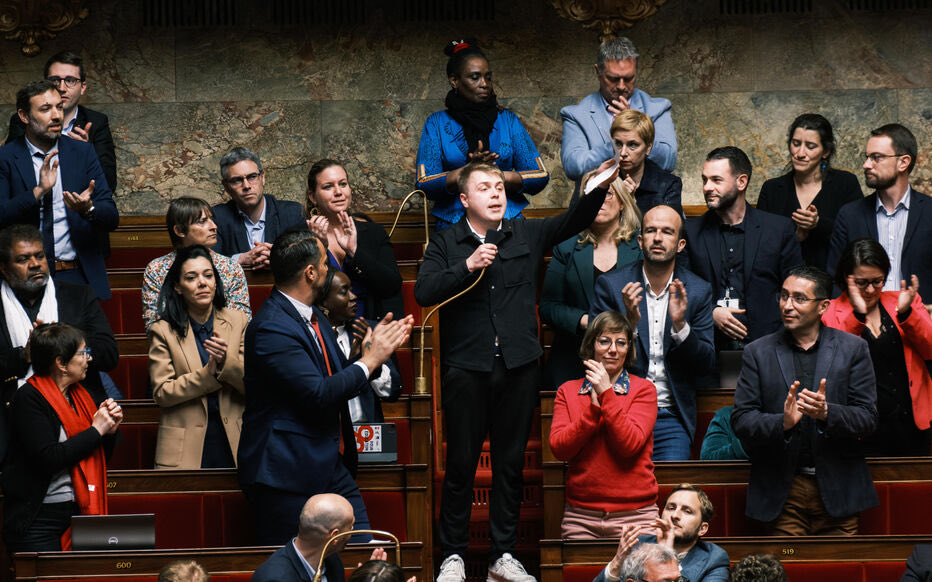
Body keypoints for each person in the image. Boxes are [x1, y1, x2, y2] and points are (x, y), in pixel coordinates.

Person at [415, 159, 615, 582]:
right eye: (485, 187)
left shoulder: (524, 232)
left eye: (500, 186)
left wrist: (595, 186)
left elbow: (572, 219)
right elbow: (424, 291)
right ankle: (452, 555)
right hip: (466, 369)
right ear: (465, 199)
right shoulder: (447, 242)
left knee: (508, 465)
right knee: (462, 464)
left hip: (519, 366)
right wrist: (467, 265)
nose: (496, 192)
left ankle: (502, 556)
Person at [237, 230, 413, 545]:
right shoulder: (271, 328)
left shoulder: (315, 315)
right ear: (311, 273)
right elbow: (318, 393)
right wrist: (370, 361)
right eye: (324, 262)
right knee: (296, 569)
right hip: (286, 473)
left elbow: (335, 377)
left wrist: (366, 353)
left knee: (362, 551)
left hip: (330, 462)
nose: (329, 268)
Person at [732, 266, 879, 535]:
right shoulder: (758, 352)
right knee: (789, 561)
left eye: (799, 298)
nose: (787, 305)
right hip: (783, 492)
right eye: (784, 296)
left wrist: (827, 413)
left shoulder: (853, 349)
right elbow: (741, 420)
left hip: (839, 492)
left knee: (836, 570)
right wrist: (783, 423)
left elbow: (868, 418)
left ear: (823, 306)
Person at [591, 205, 716, 460]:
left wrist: (681, 326)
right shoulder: (612, 286)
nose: (657, 238)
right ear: (640, 240)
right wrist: (629, 324)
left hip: (670, 417)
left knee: (669, 493)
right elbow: (594, 355)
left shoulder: (698, 291)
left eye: (667, 232)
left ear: (680, 244)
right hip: (621, 408)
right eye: (650, 231)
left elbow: (705, 364)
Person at [1, 322, 122, 552]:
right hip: (40, 520)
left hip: (81, 511)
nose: (89, 359)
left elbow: (96, 454)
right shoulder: (29, 398)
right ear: (61, 363)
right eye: (83, 353)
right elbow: (48, 458)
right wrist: (96, 430)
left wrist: (109, 432)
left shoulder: (82, 395)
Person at [0, 224, 118, 460]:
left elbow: (108, 354)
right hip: (11, 420)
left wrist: (65, 345)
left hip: (80, 415)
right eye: (23, 259)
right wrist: (25, 355)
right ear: (4, 268)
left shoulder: (78, 295)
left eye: (39, 256)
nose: (35, 264)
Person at [0, 80, 119, 301]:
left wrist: (88, 208)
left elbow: (111, 216)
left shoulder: (82, 152)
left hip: (76, 274)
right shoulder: (5, 157)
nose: (56, 116)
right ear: (24, 116)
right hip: (23, 277)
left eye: (59, 107)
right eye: (45, 109)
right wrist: (38, 191)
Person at [415, 39, 549, 228]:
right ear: (455, 81)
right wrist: (469, 172)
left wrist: (496, 175)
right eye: (475, 77)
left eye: (488, 77)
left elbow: (540, 176)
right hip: (453, 226)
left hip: (508, 223)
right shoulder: (436, 123)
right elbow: (424, 184)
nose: (484, 84)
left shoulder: (507, 120)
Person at [549, 310, 659, 538]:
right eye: (604, 341)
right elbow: (560, 448)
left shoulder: (644, 390)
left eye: (621, 343)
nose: (612, 350)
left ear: (628, 349)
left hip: (637, 516)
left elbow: (629, 445)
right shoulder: (567, 391)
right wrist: (593, 410)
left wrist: (606, 394)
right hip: (581, 517)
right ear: (591, 346)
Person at [822, 238, 932, 456]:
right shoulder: (829, 311)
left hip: (910, 421)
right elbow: (834, 362)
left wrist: (908, 315)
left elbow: (929, 349)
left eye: (878, 281)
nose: (871, 290)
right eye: (862, 282)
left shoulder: (903, 300)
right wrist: (858, 315)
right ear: (847, 277)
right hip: (861, 425)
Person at [686, 146, 803, 350]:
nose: (707, 187)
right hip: (708, 348)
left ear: (741, 182)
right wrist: (711, 311)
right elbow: (681, 287)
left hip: (769, 346)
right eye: (704, 180)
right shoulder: (690, 231)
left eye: (716, 180)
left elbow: (795, 289)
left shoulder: (778, 229)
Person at [540, 166, 642, 389]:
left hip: (629, 357)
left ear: (623, 202)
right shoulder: (566, 247)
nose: (599, 200)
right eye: (592, 192)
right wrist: (588, 321)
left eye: (606, 193)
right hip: (573, 356)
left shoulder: (640, 247)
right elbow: (548, 307)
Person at [148, 245, 248, 469]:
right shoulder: (163, 330)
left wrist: (225, 364)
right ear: (178, 287)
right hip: (184, 445)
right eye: (191, 277)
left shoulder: (238, 321)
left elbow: (253, 384)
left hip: (234, 437)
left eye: (208, 275)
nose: (202, 283)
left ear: (215, 282)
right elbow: (162, 393)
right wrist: (207, 375)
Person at [561, 36, 677, 201]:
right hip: (597, 208)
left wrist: (636, 127)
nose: (622, 86)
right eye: (613, 79)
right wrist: (616, 142)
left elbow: (668, 162)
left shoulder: (657, 108)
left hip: (651, 204)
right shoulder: (576, 114)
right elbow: (574, 168)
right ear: (598, 72)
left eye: (629, 78)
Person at [828, 124, 932, 302]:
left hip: (920, 323)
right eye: (867, 157)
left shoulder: (929, 212)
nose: (866, 165)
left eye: (877, 157)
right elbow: (835, 280)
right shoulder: (850, 215)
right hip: (862, 324)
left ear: (903, 162)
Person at [756, 113, 863, 270]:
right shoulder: (772, 189)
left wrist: (818, 224)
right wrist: (796, 236)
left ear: (825, 152)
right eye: (796, 143)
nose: (800, 153)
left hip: (833, 282)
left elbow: (857, 235)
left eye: (810, 146)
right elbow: (762, 245)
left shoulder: (845, 183)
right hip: (785, 282)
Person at [5, 51, 116, 193]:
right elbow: (11, 175)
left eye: (70, 80)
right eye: (54, 80)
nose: (61, 88)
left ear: (82, 87)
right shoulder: (23, 119)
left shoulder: (96, 122)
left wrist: (86, 155)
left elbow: (109, 183)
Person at [306, 159, 403, 320]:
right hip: (322, 327)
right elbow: (309, 292)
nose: (338, 192)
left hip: (369, 324)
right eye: (328, 186)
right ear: (313, 196)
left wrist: (354, 252)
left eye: (343, 184)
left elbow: (391, 286)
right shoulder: (301, 235)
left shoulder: (373, 232)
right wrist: (319, 246)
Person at [142, 197, 250, 331]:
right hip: (176, 347)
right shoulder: (157, 269)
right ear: (180, 231)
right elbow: (154, 325)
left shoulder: (230, 268)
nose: (214, 227)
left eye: (211, 219)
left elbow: (242, 320)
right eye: (202, 222)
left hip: (225, 346)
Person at [593, 485, 729, 582]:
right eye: (671, 508)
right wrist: (616, 563)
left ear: (702, 528)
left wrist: (668, 554)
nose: (675, 515)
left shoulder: (714, 559)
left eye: (687, 511)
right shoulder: (638, 544)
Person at [317, 269, 402, 423]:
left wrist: (371, 358)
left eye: (352, 290)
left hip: (368, 433)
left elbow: (392, 392)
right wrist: (357, 361)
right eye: (344, 292)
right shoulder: (312, 336)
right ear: (324, 302)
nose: (353, 297)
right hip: (327, 433)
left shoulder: (369, 330)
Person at [212, 146, 305, 270]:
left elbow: (308, 259)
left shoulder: (292, 213)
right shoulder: (217, 218)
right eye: (236, 180)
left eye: (252, 177)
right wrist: (239, 259)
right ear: (226, 186)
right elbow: (206, 261)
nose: (246, 186)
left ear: (262, 177)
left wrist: (281, 258)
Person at [251, 494, 359, 582]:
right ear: (335, 536)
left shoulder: (332, 560)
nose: (353, 530)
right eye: (350, 526)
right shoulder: (274, 578)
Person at [610, 110, 682, 217]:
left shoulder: (668, 185)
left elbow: (667, 229)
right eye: (618, 144)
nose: (623, 153)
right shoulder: (603, 181)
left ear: (648, 148)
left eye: (633, 145)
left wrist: (631, 204)